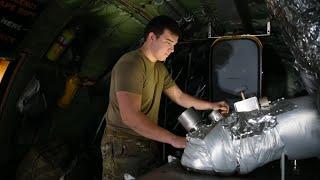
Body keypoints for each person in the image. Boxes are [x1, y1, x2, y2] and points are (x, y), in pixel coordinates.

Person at [100, 15, 229, 180]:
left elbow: (179, 96)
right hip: (124, 146)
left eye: (174, 45)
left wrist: (212, 106)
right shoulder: (131, 64)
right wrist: (174, 139)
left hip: (147, 139)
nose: (172, 50)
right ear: (152, 37)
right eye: (168, 43)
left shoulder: (159, 69)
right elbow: (130, 117)